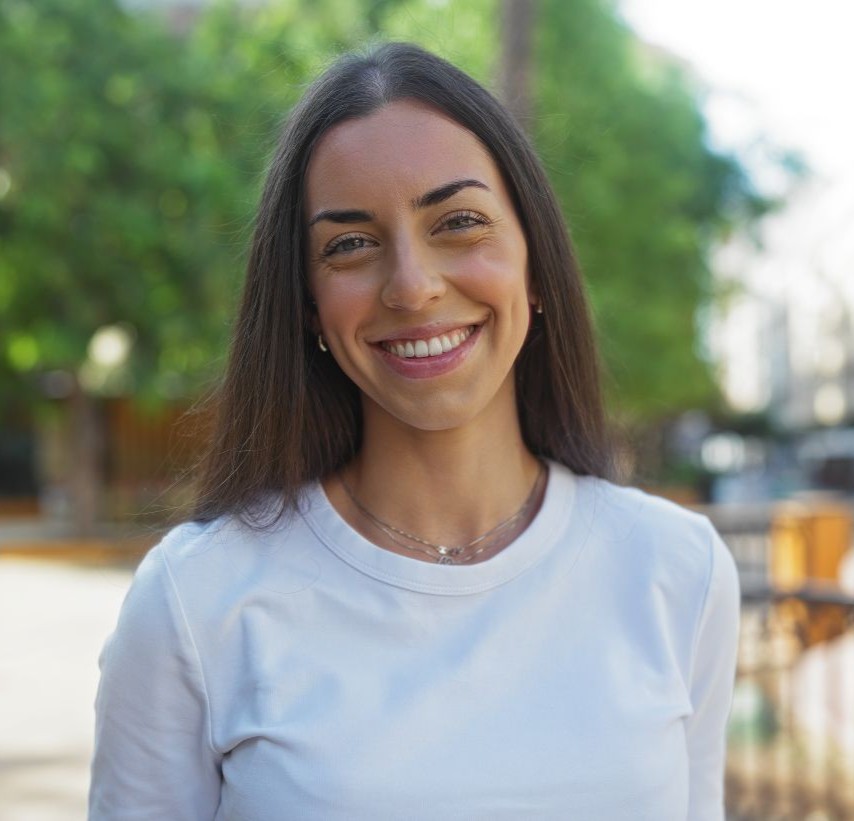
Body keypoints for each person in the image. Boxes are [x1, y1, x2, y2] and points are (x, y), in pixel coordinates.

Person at [89, 42, 740, 820]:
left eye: (458, 222)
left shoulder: (678, 572)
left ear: (534, 263)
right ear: (307, 306)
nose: (412, 284)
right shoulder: (195, 601)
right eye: (351, 244)